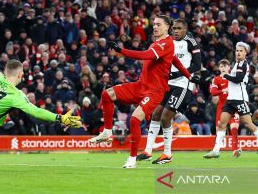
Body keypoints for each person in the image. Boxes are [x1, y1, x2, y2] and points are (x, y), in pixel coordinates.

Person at [88, 15, 194, 168]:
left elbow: (145, 55)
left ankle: (132, 159)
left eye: (158, 24)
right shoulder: (158, 43)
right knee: (107, 94)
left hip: (154, 92)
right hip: (141, 86)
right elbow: (174, 60)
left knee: (134, 119)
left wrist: (120, 50)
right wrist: (189, 75)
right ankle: (107, 131)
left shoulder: (165, 44)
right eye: (154, 24)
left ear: (167, 27)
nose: (155, 27)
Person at [136, 19, 201, 164]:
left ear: (185, 29)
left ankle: (167, 154)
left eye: (179, 29)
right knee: (156, 114)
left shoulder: (191, 42)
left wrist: (178, 74)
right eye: (174, 29)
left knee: (166, 117)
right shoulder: (168, 41)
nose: (175, 31)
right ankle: (147, 151)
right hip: (166, 84)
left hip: (182, 85)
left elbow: (197, 65)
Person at [204, 42, 258, 158]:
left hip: (239, 99)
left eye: (241, 51)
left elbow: (238, 79)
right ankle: (216, 150)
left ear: (245, 53)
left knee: (248, 124)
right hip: (230, 99)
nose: (238, 52)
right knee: (222, 123)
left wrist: (225, 75)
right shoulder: (236, 63)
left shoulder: (243, 64)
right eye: (237, 51)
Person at [210, 59, 241, 157]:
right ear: (219, 68)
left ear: (229, 67)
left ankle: (235, 150)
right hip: (222, 107)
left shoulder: (233, 78)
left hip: (233, 107)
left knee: (234, 128)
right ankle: (216, 150)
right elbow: (213, 92)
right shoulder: (216, 79)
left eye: (225, 66)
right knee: (218, 129)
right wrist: (224, 90)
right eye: (221, 66)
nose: (223, 68)